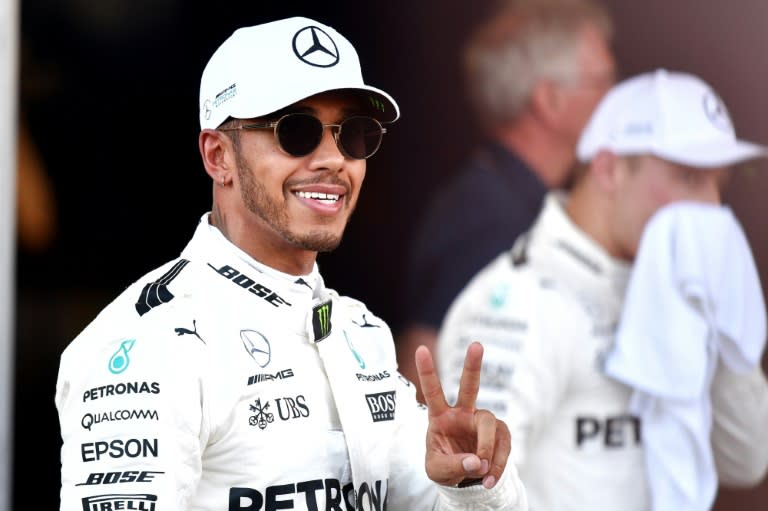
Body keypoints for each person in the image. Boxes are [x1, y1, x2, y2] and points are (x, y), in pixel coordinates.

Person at [55, 17, 528, 511]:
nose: (333, 159)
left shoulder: (359, 331)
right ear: (218, 157)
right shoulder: (148, 343)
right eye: (295, 131)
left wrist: (471, 483)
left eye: (354, 134)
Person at [436, 68, 768, 510]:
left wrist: (725, 329)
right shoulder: (519, 301)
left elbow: (746, 461)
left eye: (718, 183)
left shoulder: (675, 288)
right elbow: (468, 495)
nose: (711, 206)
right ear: (610, 169)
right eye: (690, 178)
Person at [396, 0, 616, 399]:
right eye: (602, 81)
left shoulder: (512, 198)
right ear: (548, 99)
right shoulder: (489, 213)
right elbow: (419, 360)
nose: (615, 98)